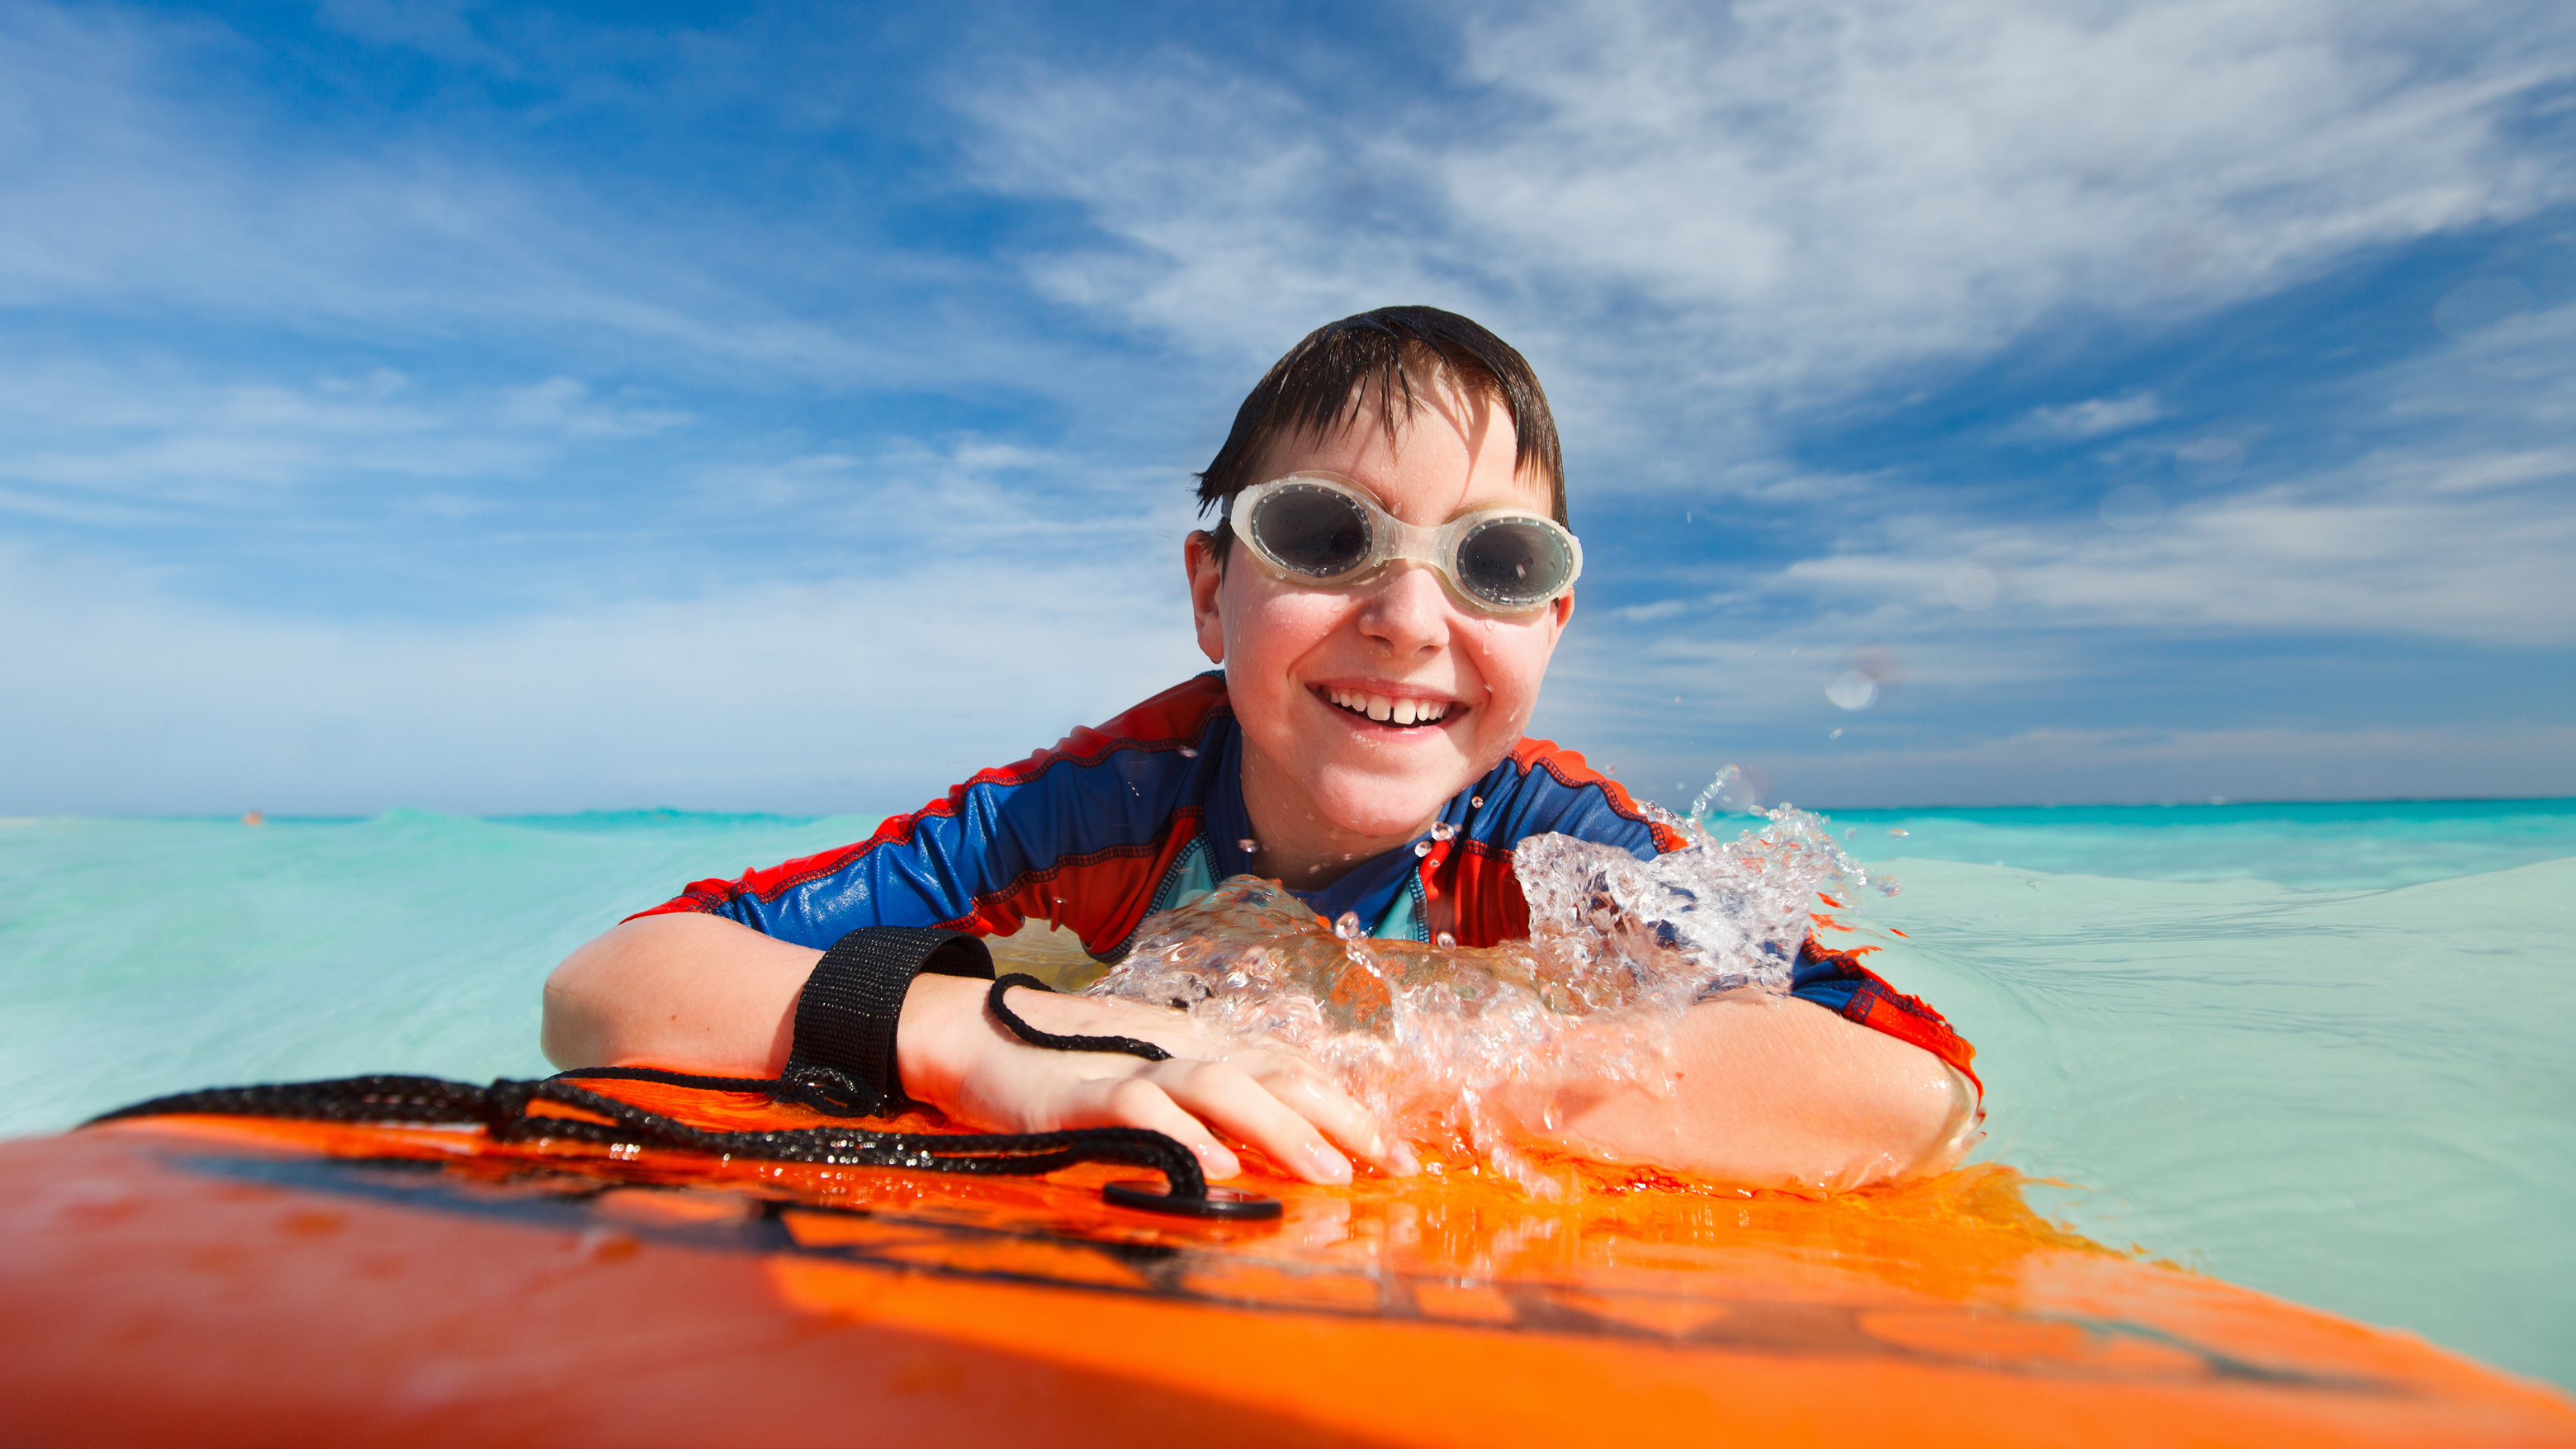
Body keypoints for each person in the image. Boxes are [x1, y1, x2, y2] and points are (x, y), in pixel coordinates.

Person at [543, 306, 1980, 1193]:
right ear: (1207, 591)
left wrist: (1415, 1073)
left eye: (1495, 560)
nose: (1411, 617)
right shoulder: (1089, 815)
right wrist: (998, 1043)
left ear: (1551, 624)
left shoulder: (1554, 852)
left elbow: (1915, 1097)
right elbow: (609, 986)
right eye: (1323, 532)